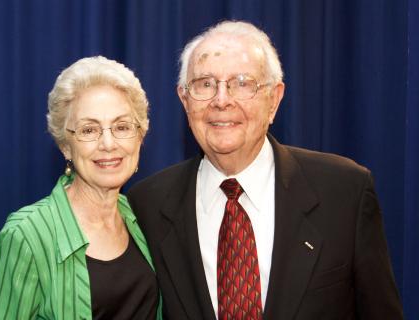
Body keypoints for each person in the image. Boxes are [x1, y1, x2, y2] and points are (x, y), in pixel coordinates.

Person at [127, 21, 403, 319]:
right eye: (205, 84)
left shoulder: (345, 192)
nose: (221, 100)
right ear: (184, 100)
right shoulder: (147, 205)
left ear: (274, 99)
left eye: (242, 83)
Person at [0, 56, 162, 319]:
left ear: (140, 136)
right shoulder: (26, 235)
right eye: (89, 130)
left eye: (122, 126)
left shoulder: (144, 217)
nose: (109, 143)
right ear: (65, 145)